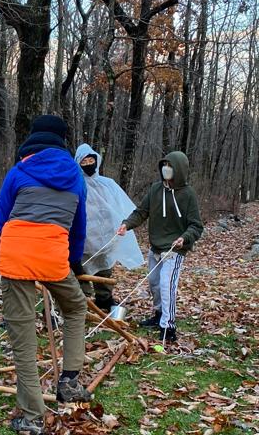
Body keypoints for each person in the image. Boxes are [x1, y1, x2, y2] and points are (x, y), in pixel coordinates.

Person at [0, 115, 90, 435]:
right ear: (62, 141)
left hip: (15, 257)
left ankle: (32, 417)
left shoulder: (19, 172)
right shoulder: (76, 177)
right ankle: (69, 380)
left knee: (24, 337)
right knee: (76, 308)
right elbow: (78, 228)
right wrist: (73, 262)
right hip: (54, 257)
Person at [118, 150, 203, 345]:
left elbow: (196, 225)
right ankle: (159, 315)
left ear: (179, 170)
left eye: (170, 166)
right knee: (155, 285)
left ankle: (168, 326)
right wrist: (127, 224)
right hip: (155, 248)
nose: (166, 169)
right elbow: (141, 212)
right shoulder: (155, 189)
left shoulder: (188, 194)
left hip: (174, 250)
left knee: (167, 286)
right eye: (164, 165)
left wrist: (184, 238)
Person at [74, 143, 144, 311]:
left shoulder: (107, 184)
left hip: (104, 236)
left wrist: (123, 224)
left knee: (104, 268)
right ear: (78, 163)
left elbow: (121, 205)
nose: (88, 164)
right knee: (81, 269)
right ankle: (82, 300)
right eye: (84, 161)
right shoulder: (75, 184)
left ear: (96, 161)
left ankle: (104, 298)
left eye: (91, 160)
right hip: (83, 237)